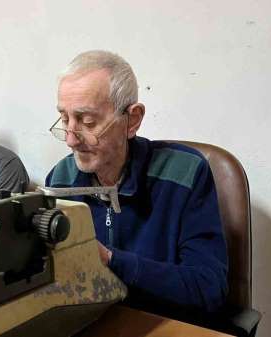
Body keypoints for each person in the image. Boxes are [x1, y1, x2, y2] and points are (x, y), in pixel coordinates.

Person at [45, 50, 228, 317]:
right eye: (65, 119)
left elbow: (209, 288)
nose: (71, 139)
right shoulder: (60, 178)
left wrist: (112, 260)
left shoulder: (185, 172)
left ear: (133, 120)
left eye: (87, 121)